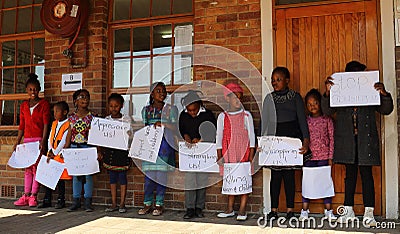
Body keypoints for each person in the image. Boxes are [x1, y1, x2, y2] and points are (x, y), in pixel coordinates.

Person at [322, 61, 393, 227]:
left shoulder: (370, 90)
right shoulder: (340, 91)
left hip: (365, 141)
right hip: (347, 141)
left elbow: (386, 110)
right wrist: (327, 93)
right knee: (350, 176)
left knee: (367, 176)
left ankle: (369, 212)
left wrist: (383, 93)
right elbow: (327, 111)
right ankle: (348, 210)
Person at [261, 67, 310, 220]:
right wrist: (261, 142)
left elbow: (302, 120)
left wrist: (306, 140)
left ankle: (290, 209)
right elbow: (264, 122)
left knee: (289, 176)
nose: (275, 82)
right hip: (275, 141)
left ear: (287, 80)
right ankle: (273, 210)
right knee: (275, 176)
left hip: (291, 140)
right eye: (273, 80)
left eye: (278, 79)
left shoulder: (295, 97)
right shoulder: (269, 98)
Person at [216, 82, 255, 221]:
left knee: (244, 179)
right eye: (235, 97)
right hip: (229, 154)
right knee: (230, 180)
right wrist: (219, 155)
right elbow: (219, 137)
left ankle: (243, 209)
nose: (238, 100)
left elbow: (252, 136)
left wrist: (251, 155)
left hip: (243, 153)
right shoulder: (223, 116)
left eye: (240, 97)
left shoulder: (246, 115)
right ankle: (230, 208)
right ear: (227, 99)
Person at [138, 82, 178, 216]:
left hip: (164, 147)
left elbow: (176, 128)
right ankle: (147, 203)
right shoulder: (146, 110)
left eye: (164, 91)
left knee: (161, 176)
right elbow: (144, 129)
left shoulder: (171, 109)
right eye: (158, 91)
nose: (162, 93)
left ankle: (159, 204)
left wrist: (164, 124)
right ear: (152, 94)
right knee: (149, 178)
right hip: (150, 147)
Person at [13, 73, 51, 207]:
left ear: (39, 89)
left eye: (35, 89)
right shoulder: (24, 106)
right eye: (30, 89)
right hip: (27, 141)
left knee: (37, 169)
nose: (33, 92)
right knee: (27, 169)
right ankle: (26, 195)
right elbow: (21, 125)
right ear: (26, 90)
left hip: (38, 140)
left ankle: (33, 196)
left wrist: (43, 141)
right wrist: (18, 141)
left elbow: (46, 123)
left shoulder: (44, 104)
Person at [178, 90, 217, 219]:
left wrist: (201, 140)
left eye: (194, 110)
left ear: (199, 105)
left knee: (202, 179)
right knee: (189, 180)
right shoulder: (183, 116)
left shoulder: (208, 115)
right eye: (189, 110)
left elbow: (213, 131)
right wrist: (186, 137)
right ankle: (190, 208)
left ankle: (199, 208)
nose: (192, 113)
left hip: (204, 152)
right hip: (190, 154)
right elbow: (181, 130)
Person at [299, 89, 336, 221]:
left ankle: (328, 210)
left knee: (325, 183)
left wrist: (331, 157)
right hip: (310, 157)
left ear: (320, 103)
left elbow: (332, 138)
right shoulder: (306, 121)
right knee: (307, 183)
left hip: (324, 157)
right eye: (309, 104)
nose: (312, 106)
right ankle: (304, 210)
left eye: (315, 103)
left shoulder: (327, 120)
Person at [102, 93, 133, 213]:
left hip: (122, 152)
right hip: (110, 152)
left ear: (121, 106)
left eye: (116, 106)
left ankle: (122, 204)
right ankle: (114, 203)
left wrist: (129, 135)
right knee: (112, 178)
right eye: (111, 106)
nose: (113, 108)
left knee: (122, 178)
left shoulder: (126, 119)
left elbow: (130, 135)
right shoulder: (106, 120)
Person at [38, 101, 72, 209]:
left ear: (65, 112)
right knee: (48, 177)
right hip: (51, 153)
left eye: (57, 111)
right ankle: (47, 199)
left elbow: (64, 140)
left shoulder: (68, 124)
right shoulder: (54, 123)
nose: (55, 113)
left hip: (60, 154)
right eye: (54, 111)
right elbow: (50, 138)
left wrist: (56, 152)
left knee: (60, 180)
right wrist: (50, 151)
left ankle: (61, 200)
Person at [67, 89, 96, 212]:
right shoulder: (71, 118)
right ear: (75, 101)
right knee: (76, 176)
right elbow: (69, 134)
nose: (85, 99)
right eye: (82, 97)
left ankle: (88, 202)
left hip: (87, 148)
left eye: (87, 97)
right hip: (74, 148)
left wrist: (97, 150)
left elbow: (95, 135)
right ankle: (76, 200)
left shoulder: (92, 117)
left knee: (88, 176)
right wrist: (66, 149)